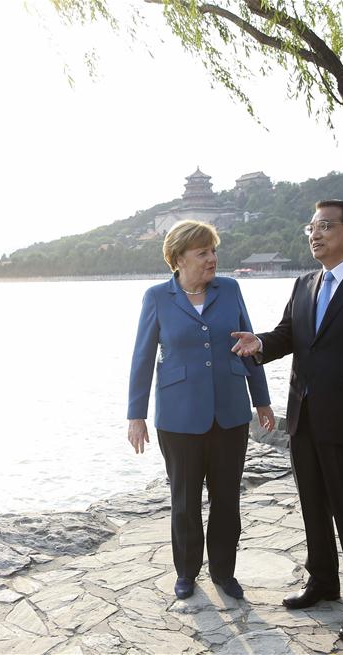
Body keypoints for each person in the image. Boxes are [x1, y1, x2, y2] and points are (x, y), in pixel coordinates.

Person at [231, 200, 343, 642]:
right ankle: (323, 582)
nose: (315, 234)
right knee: (312, 507)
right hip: (304, 419)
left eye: (325, 226)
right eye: (311, 227)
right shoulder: (305, 282)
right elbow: (289, 334)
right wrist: (260, 344)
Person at [127, 219, 275, 601]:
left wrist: (262, 401)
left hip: (230, 411)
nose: (212, 259)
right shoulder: (158, 297)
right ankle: (187, 573)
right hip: (178, 417)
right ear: (178, 259)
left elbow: (249, 344)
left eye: (213, 251)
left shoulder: (230, 289)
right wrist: (136, 415)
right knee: (184, 501)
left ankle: (224, 572)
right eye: (203, 252)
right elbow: (142, 358)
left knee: (227, 499)